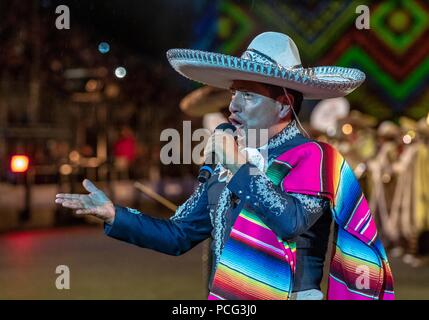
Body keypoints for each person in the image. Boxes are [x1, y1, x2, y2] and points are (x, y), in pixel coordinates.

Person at [55, 32, 394, 300]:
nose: (232, 105)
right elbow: (180, 234)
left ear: (283, 105)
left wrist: (237, 165)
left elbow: (290, 222)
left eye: (247, 95)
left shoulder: (315, 156)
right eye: (233, 93)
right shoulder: (227, 156)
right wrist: (115, 214)